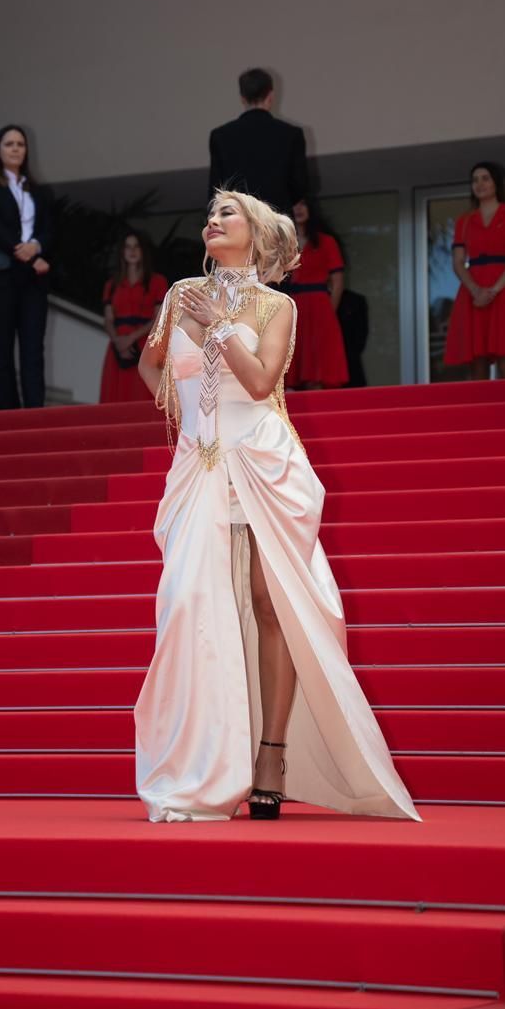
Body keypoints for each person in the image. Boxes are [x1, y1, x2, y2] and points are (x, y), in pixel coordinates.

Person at [134, 188, 420, 825]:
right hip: (199, 463)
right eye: (208, 214)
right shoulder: (181, 294)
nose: (212, 221)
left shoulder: (278, 305)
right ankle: (202, 758)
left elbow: (262, 381)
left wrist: (215, 328)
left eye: (225, 214)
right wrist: (183, 412)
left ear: (256, 233)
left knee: (272, 604)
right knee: (189, 602)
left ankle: (271, 756)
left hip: (263, 459)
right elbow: (150, 366)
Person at [0, 124, 53, 411]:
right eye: (9, 144)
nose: (16, 148)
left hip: (32, 279)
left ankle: (34, 415)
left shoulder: (38, 190)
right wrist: (29, 255)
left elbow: (49, 230)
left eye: (20, 144)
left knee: (33, 350)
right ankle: (8, 415)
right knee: (1, 349)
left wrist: (38, 247)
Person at [443, 162, 505, 380]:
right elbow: (458, 262)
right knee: (477, 363)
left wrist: (493, 290)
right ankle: (480, 413)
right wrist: (476, 291)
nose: (479, 184)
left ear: (496, 183)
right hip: (473, 293)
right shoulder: (464, 222)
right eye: (475, 180)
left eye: (485, 178)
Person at [208, 67, 309, 214]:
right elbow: (300, 186)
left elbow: (216, 190)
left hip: (239, 220)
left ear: (242, 97)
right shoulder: (291, 134)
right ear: (270, 95)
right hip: (278, 219)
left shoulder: (220, 136)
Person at [286, 197, 348, 388]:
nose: (298, 208)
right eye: (294, 203)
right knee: (289, 364)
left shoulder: (326, 242)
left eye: (303, 203)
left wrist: (329, 311)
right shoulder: (283, 243)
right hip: (291, 306)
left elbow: (338, 282)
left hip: (320, 306)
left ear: (311, 208)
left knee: (318, 366)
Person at [99, 231, 168, 403]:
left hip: (145, 344)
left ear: (143, 251)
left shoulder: (157, 281)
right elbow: (108, 319)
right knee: (114, 396)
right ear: (122, 251)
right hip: (117, 346)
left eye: (136, 246)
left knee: (141, 393)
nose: (132, 251)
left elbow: (159, 318)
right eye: (128, 247)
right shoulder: (111, 285)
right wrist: (118, 341)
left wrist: (129, 339)